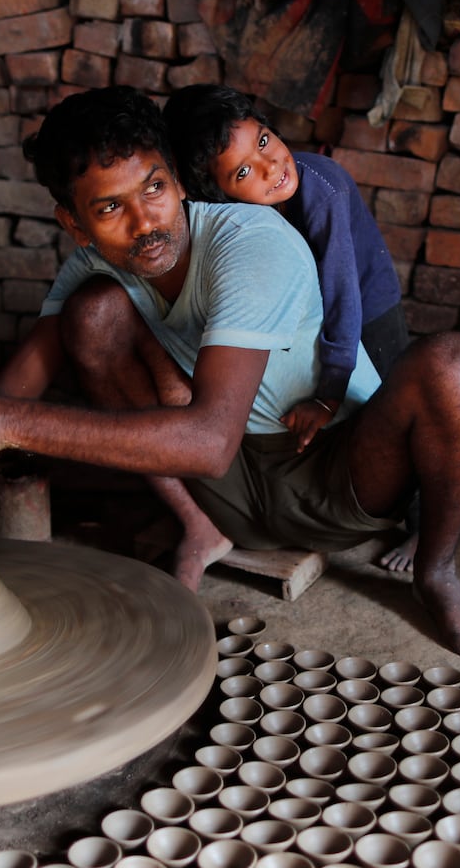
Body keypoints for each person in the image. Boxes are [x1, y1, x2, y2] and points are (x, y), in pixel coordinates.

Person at [0, 86, 460, 658]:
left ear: (181, 182)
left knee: (455, 366)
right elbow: (9, 393)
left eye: (155, 188)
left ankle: (437, 571)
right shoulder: (92, 266)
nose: (146, 223)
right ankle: (200, 528)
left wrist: (2, 423)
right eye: (109, 209)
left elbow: (202, 439)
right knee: (94, 314)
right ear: (74, 224)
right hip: (220, 488)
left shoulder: (251, 243)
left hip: (343, 475)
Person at [163, 84, 420, 572]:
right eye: (243, 172)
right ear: (215, 195)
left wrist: (327, 395)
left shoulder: (318, 188)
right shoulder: (232, 219)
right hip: (319, 303)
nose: (269, 166)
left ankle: (421, 528)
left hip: (368, 301)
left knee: (396, 407)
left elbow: (343, 295)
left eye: (263, 141)